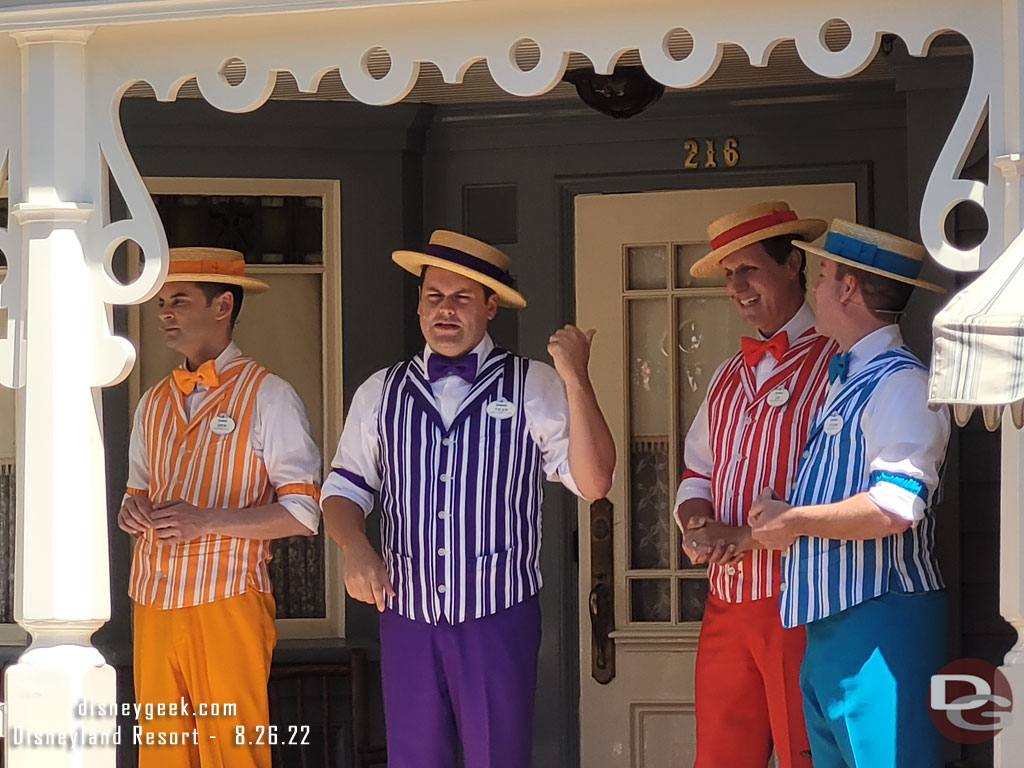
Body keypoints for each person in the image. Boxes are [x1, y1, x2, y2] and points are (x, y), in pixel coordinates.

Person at [320, 230, 615, 768]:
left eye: (461, 297)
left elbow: (595, 483)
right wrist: (354, 547)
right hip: (405, 614)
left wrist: (576, 378)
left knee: (497, 757)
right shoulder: (379, 392)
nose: (445, 310)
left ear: (490, 305)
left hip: (498, 614)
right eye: (434, 296)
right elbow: (343, 489)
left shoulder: (533, 383)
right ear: (418, 306)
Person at [749, 219, 950, 768]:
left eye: (821, 277)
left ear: (848, 290)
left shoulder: (900, 383)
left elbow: (894, 506)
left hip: (881, 625)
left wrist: (793, 521)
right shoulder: (853, 379)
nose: (813, 290)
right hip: (831, 631)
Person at [118, 247, 322, 768]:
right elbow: (135, 494)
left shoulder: (269, 395)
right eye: (162, 301)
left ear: (223, 305)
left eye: (179, 300)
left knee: (233, 753)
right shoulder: (153, 400)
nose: (164, 313)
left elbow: (303, 513)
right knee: (161, 753)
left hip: (227, 599)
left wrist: (204, 520)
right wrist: (132, 514)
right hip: (152, 600)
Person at [674, 201, 834, 768]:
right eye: (727, 274)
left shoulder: (838, 363)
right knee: (720, 756)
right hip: (726, 603)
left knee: (804, 752)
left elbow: (844, 486)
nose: (737, 286)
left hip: (803, 601)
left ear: (793, 263)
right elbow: (698, 473)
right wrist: (697, 525)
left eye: (749, 269)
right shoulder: (725, 375)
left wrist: (744, 531)